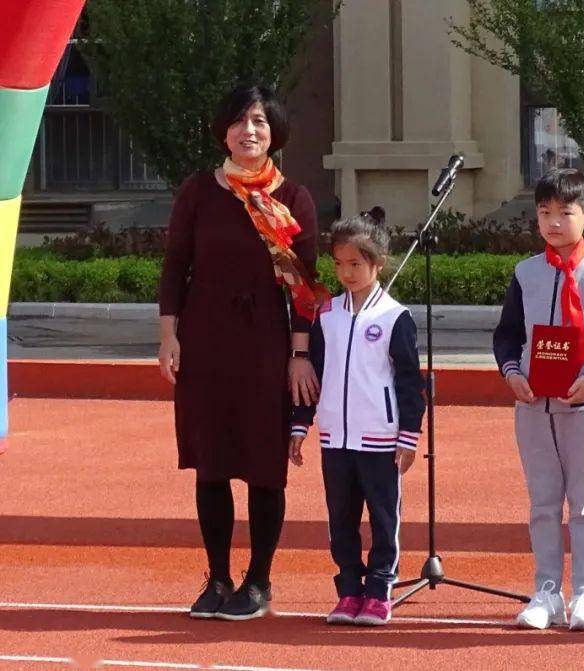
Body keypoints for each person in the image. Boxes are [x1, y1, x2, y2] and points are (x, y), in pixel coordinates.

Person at [158, 84, 326, 620]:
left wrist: (300, 353)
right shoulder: (198, 192)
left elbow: (305, 285)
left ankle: (258, 581)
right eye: (237, 121)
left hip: (266, 347)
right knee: (211, 463)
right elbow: (175, 265)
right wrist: (169, 334)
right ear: (223, 131)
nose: (247, 131)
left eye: (257, 121)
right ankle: (218, 577)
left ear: (273, 131)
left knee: (262, 464)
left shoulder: (293, 197)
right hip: (205, 342)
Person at [492, 168, 584, 632]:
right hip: (534, 403)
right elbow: (507, 335)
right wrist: (511, 371)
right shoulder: (526, 273)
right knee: (542, 502)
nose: (554, 222)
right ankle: (547, 592)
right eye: (545, 213)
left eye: (565, 213)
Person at [289, 210, 424, 627]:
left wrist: (408, 437)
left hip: (379, 438)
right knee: (341, 519)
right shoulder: (327, 315)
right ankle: (349, 590)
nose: (346, 273)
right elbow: (316, 371)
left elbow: (407, 381)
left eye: (355, 264)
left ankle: (380, 589)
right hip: (335, 439)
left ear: (377, 263)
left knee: (384, 518)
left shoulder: (394, 317)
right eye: (339, 264)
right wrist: (301, 424)